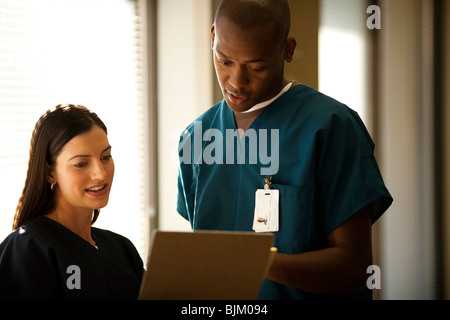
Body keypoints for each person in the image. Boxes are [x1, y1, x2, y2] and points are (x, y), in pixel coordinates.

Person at [177, 0, 393, 299]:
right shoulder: (196, 137)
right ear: (213, 37)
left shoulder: (329, 128)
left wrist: (256, 262)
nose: (236, 82)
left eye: (256, 66)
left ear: (288, 50)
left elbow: (355, 268)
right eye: (224, 61)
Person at [0, 104, 144, 299]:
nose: (101, 174)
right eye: (81, 164)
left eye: (105, 157)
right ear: (49, 172)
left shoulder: (122, 249)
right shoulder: (28, 248)